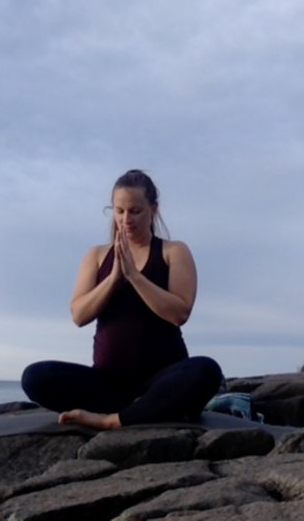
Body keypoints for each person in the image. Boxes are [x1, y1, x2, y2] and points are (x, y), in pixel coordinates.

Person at [21, 169, 223, 430]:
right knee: (36, 376)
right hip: (107, 382)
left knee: (206, 371)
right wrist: (114, 277)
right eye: (119, 211)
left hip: (163, 377)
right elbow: (79, 315)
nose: (126, 219)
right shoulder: (96, 255)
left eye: (135, 211)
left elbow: (179, 313)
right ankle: (147, 409)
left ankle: (114, 419)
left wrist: (135, 277)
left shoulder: (173, 251)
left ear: (153, 208)